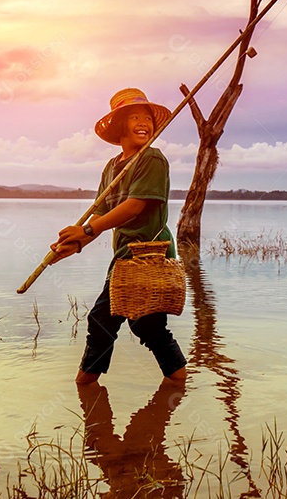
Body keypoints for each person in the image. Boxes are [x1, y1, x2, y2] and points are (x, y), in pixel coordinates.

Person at [51, 88, 187, 385]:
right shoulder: (112, 167)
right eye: (135, 117)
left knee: (117, 323)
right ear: (119, 126)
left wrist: (86, 230)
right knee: (141, 327)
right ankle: (171, 392)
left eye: (147, 118)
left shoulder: (152, 158)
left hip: (149, 256)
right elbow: (101, 215)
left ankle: (86, 384)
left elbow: (134, 206)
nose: (144, 123)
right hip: (125, 258)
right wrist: (75, 243)